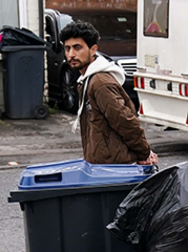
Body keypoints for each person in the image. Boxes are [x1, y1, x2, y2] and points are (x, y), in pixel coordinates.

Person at [62, 21, 158, 165]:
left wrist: (144, 154)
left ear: (93, 49)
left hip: (114, 168)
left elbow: (125, 122)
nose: (71, 54)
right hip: (102, 166)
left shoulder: (100, 83)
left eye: (77, 48)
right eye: (67, 48)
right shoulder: (88, 80)